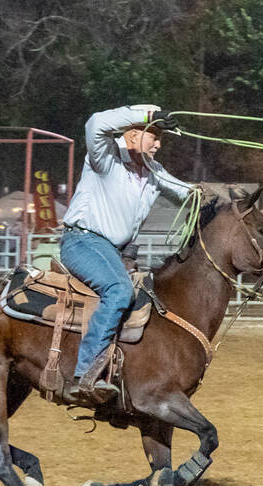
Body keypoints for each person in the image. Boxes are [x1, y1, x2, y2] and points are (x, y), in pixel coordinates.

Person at [58, 104, 195, 406]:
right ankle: (85, 374)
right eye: (154, 136)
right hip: (83, 242)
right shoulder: (105, 158)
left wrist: (226, 201)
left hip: (112, 251)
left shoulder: (153, 172)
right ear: (133, 134)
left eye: (160, 138)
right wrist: (146, 114)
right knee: (119, 289)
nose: (158, 144)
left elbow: (190, 194)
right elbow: (96, 123)